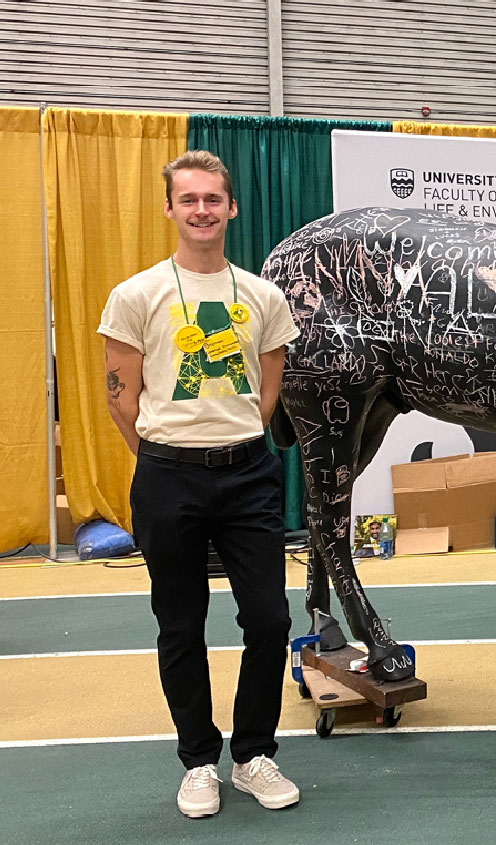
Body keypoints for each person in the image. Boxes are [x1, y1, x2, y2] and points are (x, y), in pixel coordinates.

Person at [97, 150, 301, 818]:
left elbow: (268, 391)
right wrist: (159, 453)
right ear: (170, 209)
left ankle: (252, 755)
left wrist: (233, 440)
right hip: (167, 475)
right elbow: (120, 397)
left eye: (213, 198)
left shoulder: (263, 297)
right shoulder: (135, 295)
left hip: (247, 475)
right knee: (179, 624)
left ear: (231, 207)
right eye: (189, 199)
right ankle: (197, 760)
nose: (202, 209)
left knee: (269, 618)